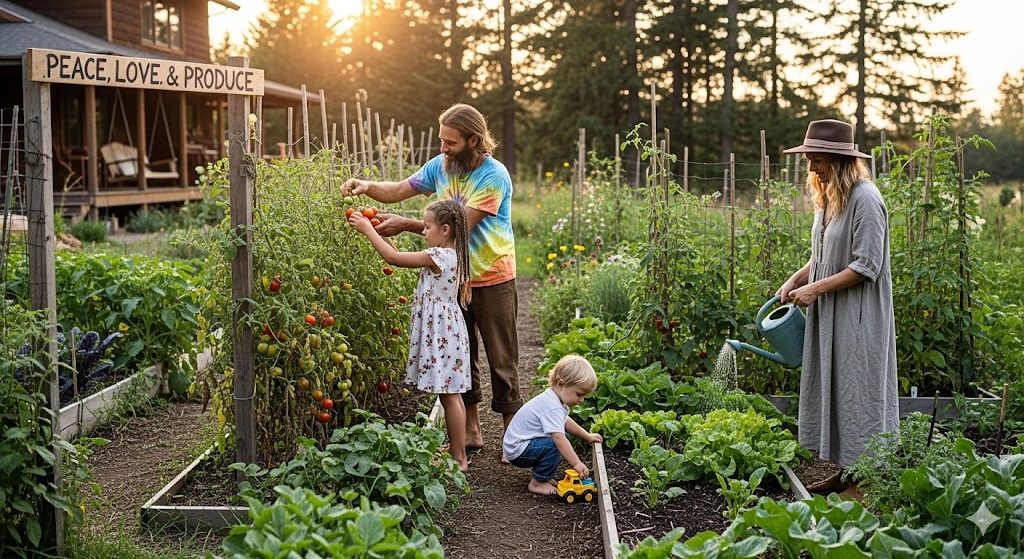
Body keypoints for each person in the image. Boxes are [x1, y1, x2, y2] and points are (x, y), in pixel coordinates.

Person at [341, 103, 521, 454]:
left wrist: (406, 224)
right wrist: (366, 186)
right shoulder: (441, 166)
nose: (442, 148)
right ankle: (471, 432)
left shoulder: (493, 176)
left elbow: (461, 225)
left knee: (502, 359)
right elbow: (398, 189)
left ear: (473, 140)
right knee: (462, 356)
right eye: (441, 140)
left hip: (493, 277)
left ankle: (512, 440)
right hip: (457, 281)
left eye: (450, 142)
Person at [778, 119, 899, 493]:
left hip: (858, 313)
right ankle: (848, 472)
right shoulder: (830, 196)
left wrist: (815, 291)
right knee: (837, 385)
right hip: (832, 309)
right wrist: (797, 279)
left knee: (857, 388)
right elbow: (825, 254)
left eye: (816, 160)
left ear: (838, 159)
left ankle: (866, 479)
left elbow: (867, 266)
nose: (811, 168)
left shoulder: (866, 199)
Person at [348, 198, 473, 472]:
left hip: (443, 333)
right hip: (447, 330)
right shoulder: (450, 254)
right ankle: (456, 450)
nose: (423, 232)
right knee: (450, 394)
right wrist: (383, 235)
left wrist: (368, 230)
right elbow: (400, 257)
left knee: (449, 395)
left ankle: (459, 459)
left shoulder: (439, 256)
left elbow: (393, 259)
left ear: (445, 230)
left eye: (427, 227)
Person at [502, 354, 603, 496]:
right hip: (518, 450)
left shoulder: (553, 398)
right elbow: (559, 438)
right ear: (560, 384)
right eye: (579, 394)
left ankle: (543, 476)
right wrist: (577, 464)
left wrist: (586, 436)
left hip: (519, 445)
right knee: (556, 443)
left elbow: (565, 421)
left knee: (561, 438)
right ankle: (538, 483)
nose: (581, 400)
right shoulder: (552, 406)